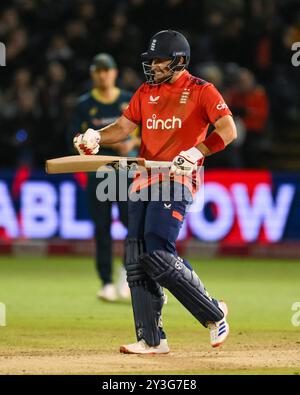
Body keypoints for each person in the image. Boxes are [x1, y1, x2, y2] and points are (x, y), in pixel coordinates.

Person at [73, 30, 237, 354]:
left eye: (160, 61)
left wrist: (198, 152)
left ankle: (213, 312)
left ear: (179, 61)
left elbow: (229, 130)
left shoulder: (201, 90)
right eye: (151, 61)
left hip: (176, 178)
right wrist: (95, 136)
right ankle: (152, 339)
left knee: (157, 252)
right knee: (136, 258)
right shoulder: (146, 91)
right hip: (141, 180)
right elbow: (122, 127)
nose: (154, 67)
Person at [70, 53, 140, 301]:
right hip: (99, 173)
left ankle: (127, 275)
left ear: (114, 73)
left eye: (106, 70)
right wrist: (111, 146)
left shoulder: (128, 100)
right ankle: (106, 282)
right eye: (98, 71)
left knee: (132, 226)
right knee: (102, 228)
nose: (103, 75)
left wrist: (130, 142)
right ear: (93, 74)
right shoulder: (83, 104)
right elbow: (78, 141)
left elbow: (143, 134)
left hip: (125, 172)